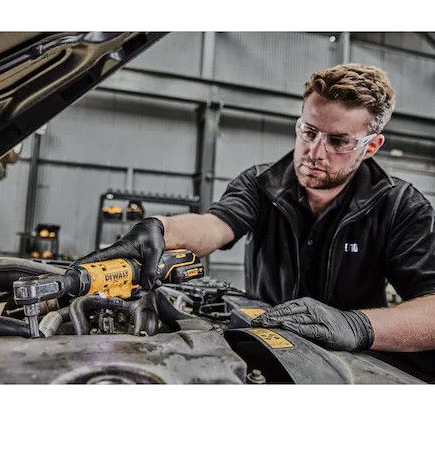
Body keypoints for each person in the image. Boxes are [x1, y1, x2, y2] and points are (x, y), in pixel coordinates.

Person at [81, 63, 435, 380]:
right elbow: (214, 226)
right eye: (308, 131)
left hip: (348, 367)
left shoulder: (401, 206)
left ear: (371, 146)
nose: (314, 152)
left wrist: (355, 325)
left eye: (338, 141)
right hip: (264, 347)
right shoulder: (261, 183)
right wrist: (162, 228)